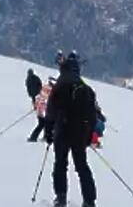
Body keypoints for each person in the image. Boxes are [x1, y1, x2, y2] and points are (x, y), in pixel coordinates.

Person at [46, 52, 97, 207]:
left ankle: (61, 197)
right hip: (80, 132)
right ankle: (89, 201)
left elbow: (50, 111)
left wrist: (48, 132)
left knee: (60, 164)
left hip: (62, 130)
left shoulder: (60, 85)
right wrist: (89, 135)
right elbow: (92, 116)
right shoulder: (85, 88)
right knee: (82, 166)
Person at [29, 77, 54, 143]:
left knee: (44, 124)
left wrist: (35, 105)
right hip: (44, 111)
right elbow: (47, 100)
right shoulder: (50, 90)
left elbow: (39, 97)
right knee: (43, 124)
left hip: (41, 110)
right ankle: (34, 137)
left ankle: (43, 136)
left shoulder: (44, 87)